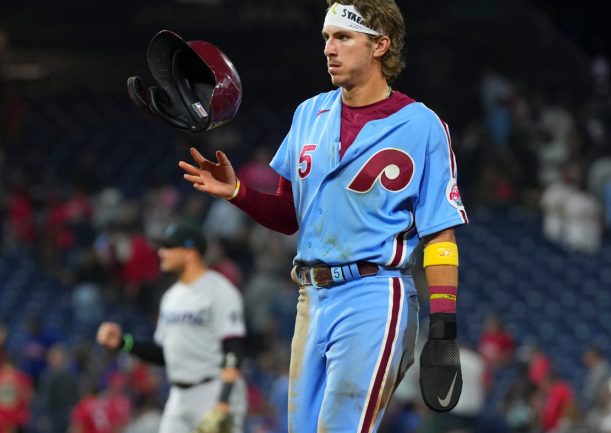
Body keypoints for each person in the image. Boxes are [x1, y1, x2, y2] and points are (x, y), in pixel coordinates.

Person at [178, 0, 467, 431]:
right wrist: (237, 191)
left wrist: (443, 332)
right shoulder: (309, 113)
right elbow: (290, 215)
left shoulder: (422, 125)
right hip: (310, 297)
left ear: (380, 46)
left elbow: (441, 237)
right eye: (327, 38)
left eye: (344, 38)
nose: (329, 48)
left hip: (374, 293)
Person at [97, 224, 248, 432]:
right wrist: (124, 343)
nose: (161, 253)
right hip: (179, 395)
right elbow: (163, 353)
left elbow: (233, 349)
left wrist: (223, 402)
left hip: (213, 389)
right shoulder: (171, 298)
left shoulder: (220, 290)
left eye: (169, 247)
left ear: (190, 253)